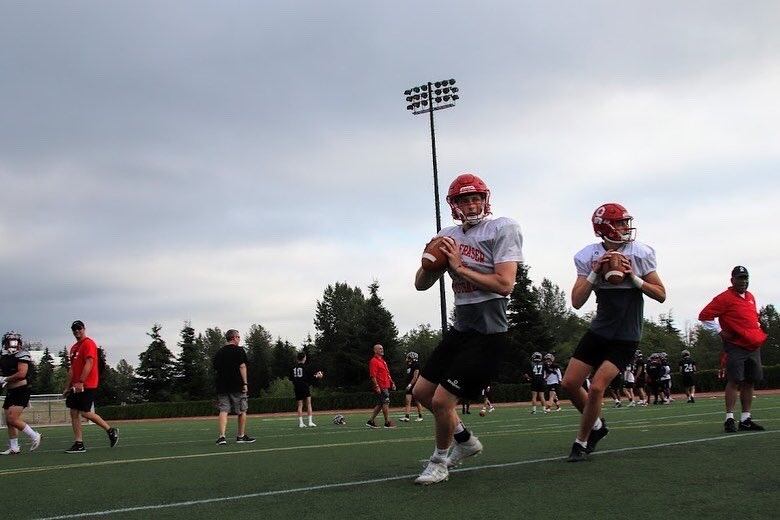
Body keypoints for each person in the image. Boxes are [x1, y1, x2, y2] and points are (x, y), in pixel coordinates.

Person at [412, 173, 523, 484]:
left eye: (475, 198)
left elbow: (505, 284)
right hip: (462, 329)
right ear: (454, 205)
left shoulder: (502, 227)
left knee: (441, 401)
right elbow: (421, 285)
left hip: (488, 333)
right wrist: (429, 260)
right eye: (463, 199)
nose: (471, 204)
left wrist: (460, 267)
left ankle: (439, 462)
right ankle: (465, 441)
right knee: (421, 392)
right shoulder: (448, 235)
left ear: (485, 199)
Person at [560, 203, 665, 462]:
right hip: (599, 330)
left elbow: (661, 294)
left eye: (624, 223)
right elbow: (576, 301)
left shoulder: (639, 254)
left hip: (626, 335)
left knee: (596, 387)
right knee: (569, 383)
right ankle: (597, 425)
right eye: (618, 223)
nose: (624, 228)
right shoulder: (588, 256)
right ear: (604, 228)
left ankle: (581, 441)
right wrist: (596, 272)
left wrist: (635, 279)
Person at [699, 266, 767, 432]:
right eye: (740, 278)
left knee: (750, 380)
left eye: (745, 278)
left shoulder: (750, 297)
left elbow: (753, 317)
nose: (743, 281)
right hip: (736, 345)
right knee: (735, 380)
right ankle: (729, 418)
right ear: (732, 280)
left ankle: (746, 419)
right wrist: (719, 331)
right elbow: (704, 315)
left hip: (753, 345)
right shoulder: (724, 298)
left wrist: (757, 327)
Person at [64, 321, 118, 453]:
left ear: (84, 329)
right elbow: (72, 369)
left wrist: (81, 381)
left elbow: (89, 363)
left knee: (85, 412)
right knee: (73, 412)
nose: (77, 331)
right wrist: (67, 386)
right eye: (74, 329)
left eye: (79, 328)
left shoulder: (88, 343)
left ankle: (111, 430)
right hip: (76, 386)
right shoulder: (73, 348)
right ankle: (79, 443)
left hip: (87, 384)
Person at [0, 332, 42, 455]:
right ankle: (14, 447)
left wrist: (5, 379)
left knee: (12, 419)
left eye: (15, 341)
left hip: (21, 390)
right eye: (10, 341)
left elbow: (21, 373)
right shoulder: (4, 355)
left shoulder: (22, 354)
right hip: (11, 391)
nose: (13, 343)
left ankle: (34, 435)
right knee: (8, 420)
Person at [213, 329, 255, 445]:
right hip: (237, 384)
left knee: (223, 410)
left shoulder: (219, 352)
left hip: (222, 385)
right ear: (234, 337)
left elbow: (216, 368)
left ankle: (222, 437)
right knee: (242, 410)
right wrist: (245, 383)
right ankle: (240, 436)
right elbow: (242, 366)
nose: (239, 339)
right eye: (239, 337)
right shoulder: (239, 350)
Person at [366, 344, 396, 429]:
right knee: (386, 402)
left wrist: (392, 383)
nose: (382, 350)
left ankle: (370, 421)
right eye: (380, 349)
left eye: (382, 348)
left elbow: (387, 373)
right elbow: (373, 375)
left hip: (385, 385)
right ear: (375, 351)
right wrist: (376, 386)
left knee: (380, 404)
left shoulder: (382, 361)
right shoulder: (374, 361)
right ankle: (387, 422)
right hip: (381, 386)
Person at [291, 352, 323, 428]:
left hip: (297, 387)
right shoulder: (306, 367)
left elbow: (291, 378)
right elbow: (311, 377)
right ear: (304, 358)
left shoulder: (293, 368)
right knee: (308, 404)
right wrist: (318, 376)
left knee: (300, 405)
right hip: (304, 386)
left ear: (297, 358)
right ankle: (310, 422)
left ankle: (301, 423)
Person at [400, 352, 424, 422]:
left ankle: (420, 416)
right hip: (409, 385)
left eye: (409, 357)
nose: (407, 359)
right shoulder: (409, 366)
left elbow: (415, 377)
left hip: (415, 385)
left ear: (412, 358)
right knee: (407, 401)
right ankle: (407, 417)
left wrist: (410, 385)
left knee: (417, 401)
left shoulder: (416, 365)